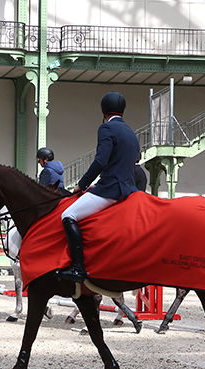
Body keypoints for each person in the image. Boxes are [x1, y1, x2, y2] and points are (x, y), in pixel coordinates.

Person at [58, 91, 140, 282]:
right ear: (122, 111)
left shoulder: (106, 129)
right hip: (129, 189)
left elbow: (101, 161)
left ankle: (78, 268)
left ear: (104, 112)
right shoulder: (131, 132)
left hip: (111, 190)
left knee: (68, 215)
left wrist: (82, 184)